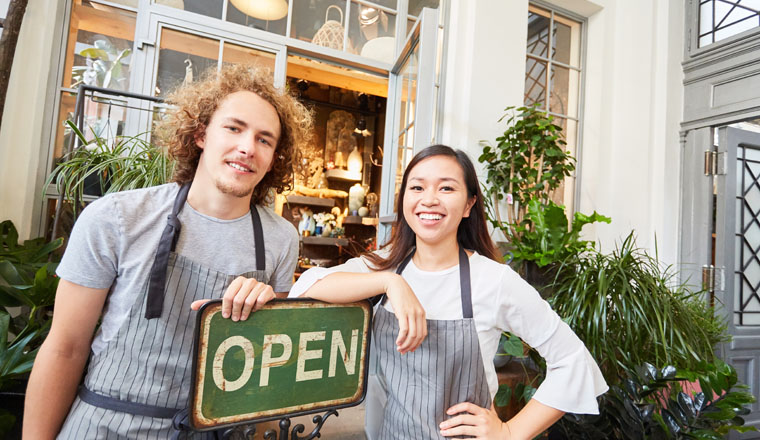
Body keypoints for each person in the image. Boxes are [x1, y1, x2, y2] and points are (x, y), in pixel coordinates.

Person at [24, 64, 312, 439]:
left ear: (275, 157)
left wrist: (272, 312)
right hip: (108, 426)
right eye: (234, 128)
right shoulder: (116, 218)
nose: (247, 147)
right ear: (200, 134)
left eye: (264, 139)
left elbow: (272, 366)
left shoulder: (281, 239)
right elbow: (65, 348)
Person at [289, 144, 608, 439]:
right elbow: (308, 286)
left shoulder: (493, 280)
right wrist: (391, 283)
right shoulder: (385, 266)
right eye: (417, 187)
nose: (429, 199)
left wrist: (510, 433)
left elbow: (573, 361)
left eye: (446, 188)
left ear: (469, 204)